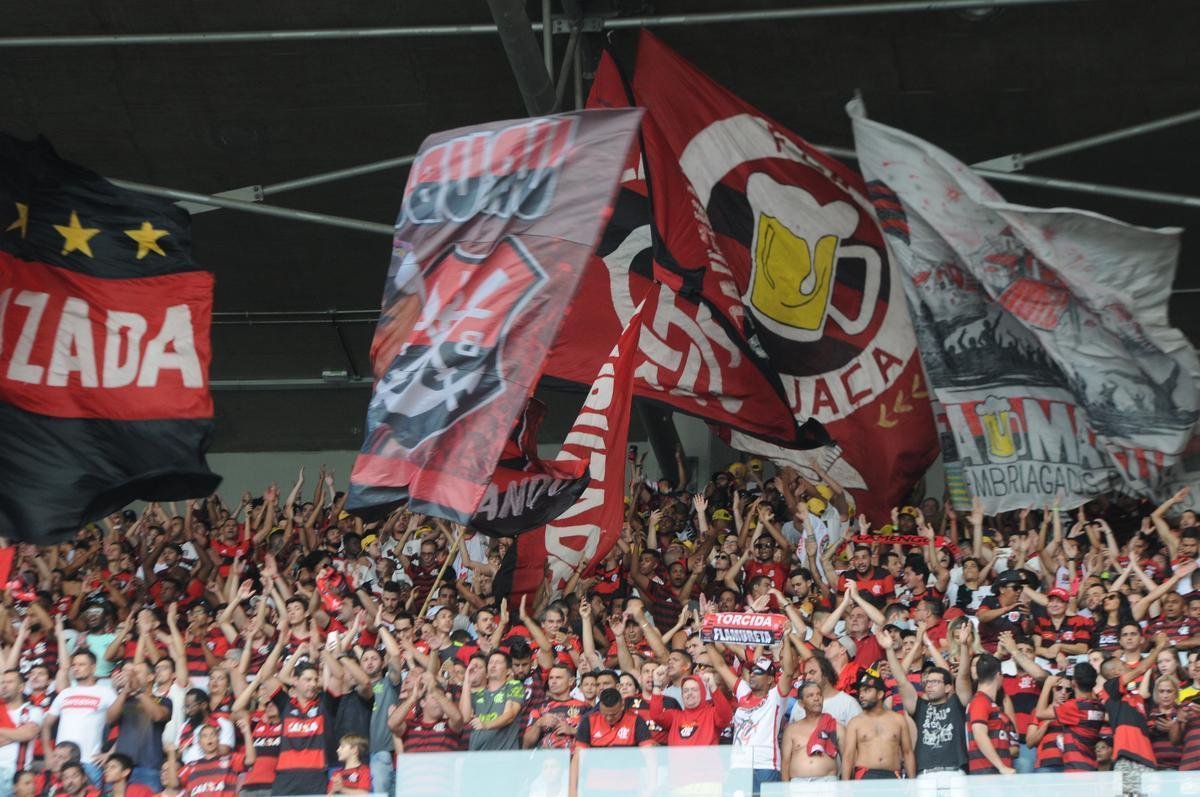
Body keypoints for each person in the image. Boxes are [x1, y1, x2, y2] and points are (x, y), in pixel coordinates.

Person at [881, 628, 972, 776]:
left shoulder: (957, 703)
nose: (929, 685)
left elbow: (963, 676)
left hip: (955, 771)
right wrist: (889, 650)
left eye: (935, 681)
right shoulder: (919, 707)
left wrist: (963, 646)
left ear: (948, 687)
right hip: (925, 773)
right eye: (928, 682)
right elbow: (901, 680)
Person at [708, 643, 796, 793]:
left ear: (770, 679)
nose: (752, 674)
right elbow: (721, 666)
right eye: (751, 671)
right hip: (739, 765)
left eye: (758, 672)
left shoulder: (775, 697)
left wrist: (787, 637)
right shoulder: (743, 692)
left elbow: (788, 671)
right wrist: (707, 641)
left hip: (765, 765)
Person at [43, 650, 118, 785]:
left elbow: (124, 725)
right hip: (61, 763)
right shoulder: (65, 693)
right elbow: (46, 724)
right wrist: (48, 753)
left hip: (89, 763)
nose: (76, 668)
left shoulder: (106, 692)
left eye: (81, 664)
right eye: (74, 665)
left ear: (93, 667)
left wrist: (110, 753)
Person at [842, 670, 914, 780]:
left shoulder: (898, 720)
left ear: (880, 694)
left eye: (867, 690)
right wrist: (845, 787)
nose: (861, 695)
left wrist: (912, 783)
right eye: (860, 692)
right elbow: (848, 757)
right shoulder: (855, 722)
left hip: (893, 776)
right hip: (864, 776)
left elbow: (908, 753)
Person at [460, 651, 524, 751]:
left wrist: (486, 724)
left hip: (503, 758)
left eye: (498, 662)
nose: (493, 665)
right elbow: (464, 718)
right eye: (490, 662)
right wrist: (467, 681)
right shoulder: (478, 694)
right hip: (477, 756)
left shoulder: (513, 686)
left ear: (508, 671)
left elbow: (510, 715)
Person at [781, 681, 843, 782]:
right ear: (801, 703)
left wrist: (844, 788)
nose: (816, 698)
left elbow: (847, 760)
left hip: (827, 783)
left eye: (819, 694)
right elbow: (785, 763)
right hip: (798, 785)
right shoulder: (791, 730)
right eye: (810, 695)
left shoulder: (835, 726)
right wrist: (785, 790)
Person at [967, 653, 1015, 775]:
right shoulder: (980, 701)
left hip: (993, 774)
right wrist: (1001, 767)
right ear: (999, 675)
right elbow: (979, 734)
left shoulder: (985, 701)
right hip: (987, 774)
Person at [0, 669, 43, 793]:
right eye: (2, 683)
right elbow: (23, 733)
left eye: (9, 682)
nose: (4, 686)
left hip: (20, 775)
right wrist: (18, 733)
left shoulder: (33, 711)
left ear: (21, 687)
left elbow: (28, 734)